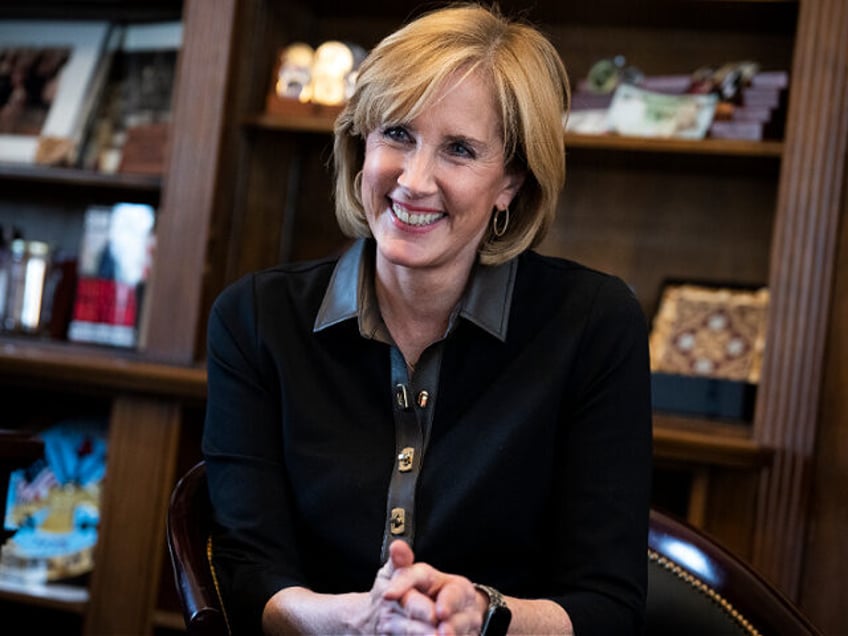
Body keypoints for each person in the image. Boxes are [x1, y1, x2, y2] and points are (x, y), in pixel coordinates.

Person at [202, 3, 652, 635]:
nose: (414, 180)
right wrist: (358, 621)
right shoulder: (254, 318)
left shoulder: (595, 326)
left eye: (460, 150)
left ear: (511, 182)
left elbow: (608, 606)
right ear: (361, 143)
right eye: (398, 135)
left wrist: (484, 619)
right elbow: (248, 575)